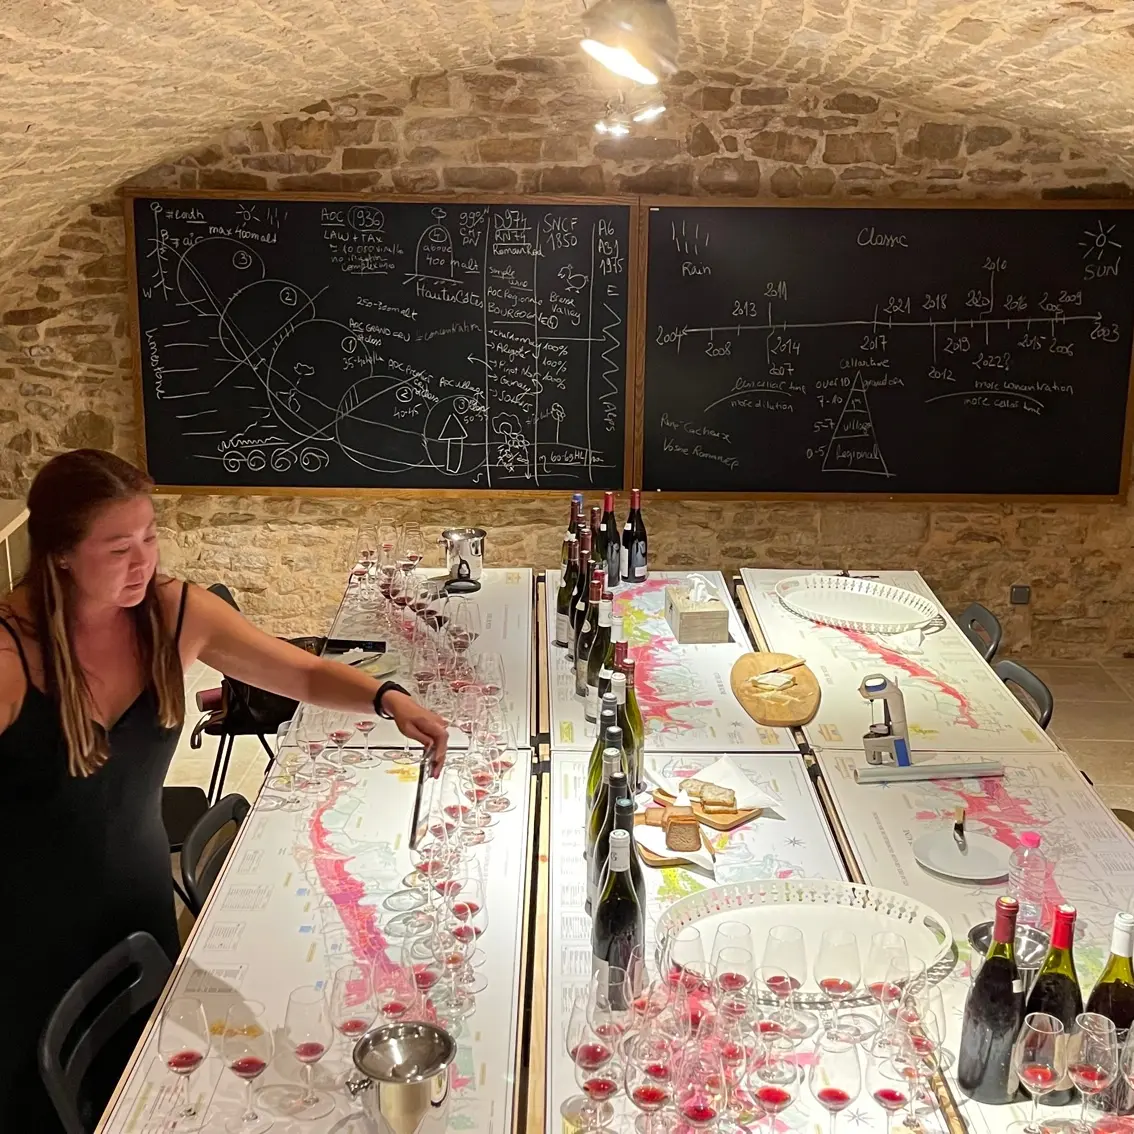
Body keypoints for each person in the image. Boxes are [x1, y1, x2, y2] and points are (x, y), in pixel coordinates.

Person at [0, 448, 449, 1131]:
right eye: (117, 547)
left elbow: (297, 675)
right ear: (60, 553)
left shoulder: (173, 613)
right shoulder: (11, 653)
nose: (142, 562)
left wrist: (387, 698)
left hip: (136, 901)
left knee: (149, 1092)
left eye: (149, 537)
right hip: (28, 933)